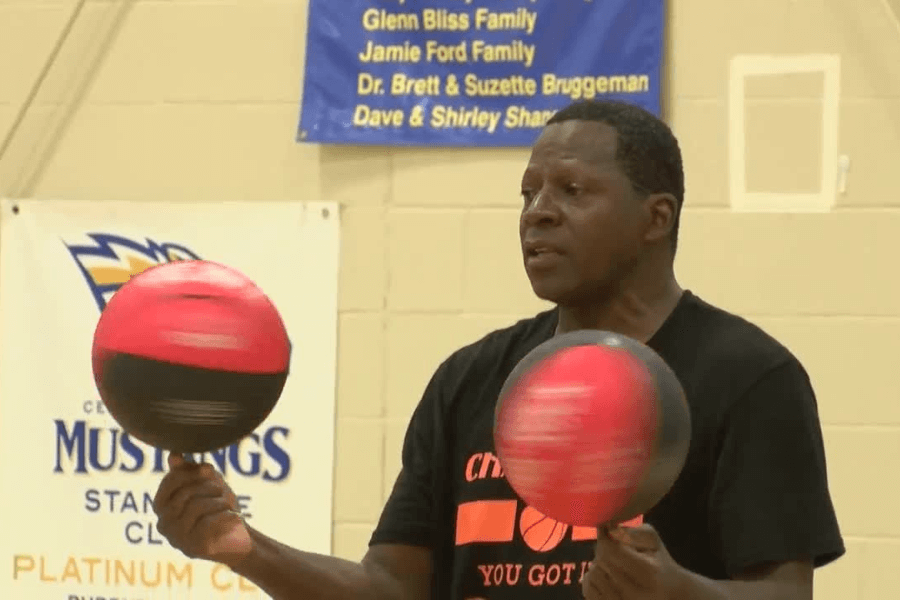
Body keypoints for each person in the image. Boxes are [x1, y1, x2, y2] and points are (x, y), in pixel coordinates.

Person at [152, 99, 845, 600]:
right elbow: (392, 587)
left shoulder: (750, 376)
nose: (538, 211)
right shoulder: (470, 379)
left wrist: (678, 594)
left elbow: (785, 594)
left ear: (655, 219)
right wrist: (246, 550)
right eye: (528, 192)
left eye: (573, 190)